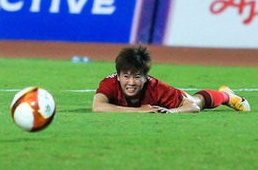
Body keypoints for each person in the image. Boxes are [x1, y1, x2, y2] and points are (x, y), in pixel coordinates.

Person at [92, 45, 250, 113]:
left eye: (137, 77)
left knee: (197, 101)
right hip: (145, 107)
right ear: (118, 76)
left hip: (171, 103)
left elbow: (192, 107)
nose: (131, 82)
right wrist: (139, 111)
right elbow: (97, 107)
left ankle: (226, 95)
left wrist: (171, 112)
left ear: (146, 78)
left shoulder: (157, 87)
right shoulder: (109, 83)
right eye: (126, 76)